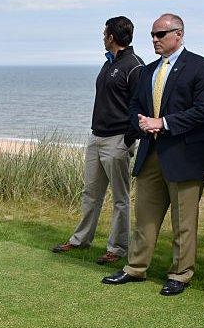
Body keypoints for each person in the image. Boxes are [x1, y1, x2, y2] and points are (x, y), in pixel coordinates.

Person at [101, 14, 204, 295]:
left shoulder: (202, 68)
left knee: (184, 220)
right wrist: (141, 122)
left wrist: (163, 123)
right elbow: (134, 105)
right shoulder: (148, 71)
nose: (154, 40)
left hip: (186, 155)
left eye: (160, 35)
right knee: (145, 217)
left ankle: (180, 274)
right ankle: (135, 268)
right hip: (151, 152)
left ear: (178, 34)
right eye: (152, 35)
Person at [52, 16, 143, 264]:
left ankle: (117, 248)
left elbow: (141, 105)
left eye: (105, 34)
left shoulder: (134, 65)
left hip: (117, 140)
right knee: (90, 192)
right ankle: (80, 239)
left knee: (120, 198)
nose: (103, 38)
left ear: (112, 36)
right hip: (97, 138)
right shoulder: (109, 63)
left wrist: (128, 140)